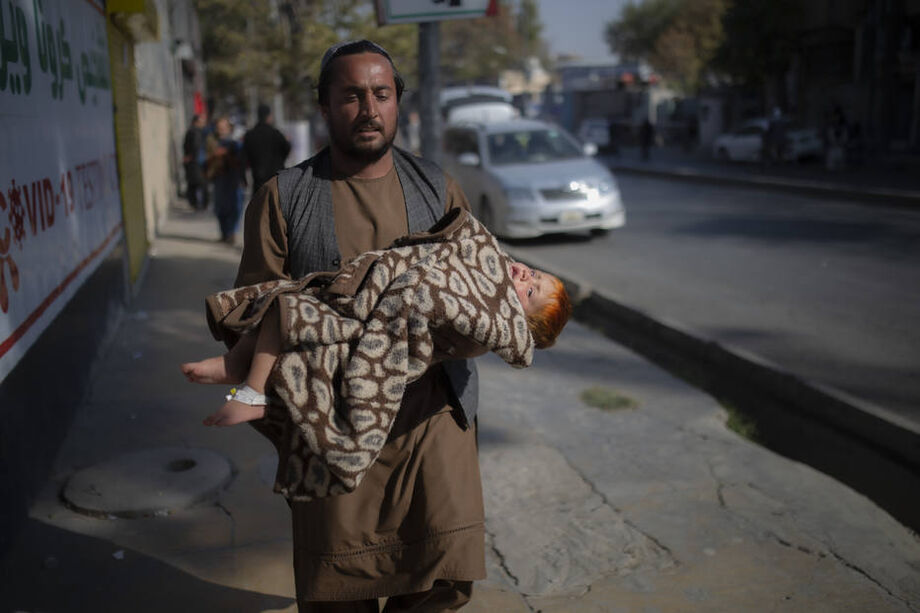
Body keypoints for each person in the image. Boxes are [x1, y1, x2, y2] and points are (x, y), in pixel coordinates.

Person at [224, 39, 510, 611]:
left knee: (440, 578)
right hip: (333, 429)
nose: (369, 109)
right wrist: (250, 390)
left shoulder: (437, 188)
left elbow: (482, 289)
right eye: (352, 96)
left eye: (382, 94)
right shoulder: (283, 198)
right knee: (339, 590)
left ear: (398, 102)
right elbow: (252, 314)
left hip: (431, 419)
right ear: (325, 106)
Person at [182, 217, 571, 429]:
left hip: (377, 323)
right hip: (369, 286)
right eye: (536, 275)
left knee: (288, 314)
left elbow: (431, 296)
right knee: (279, 304)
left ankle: (253, 394)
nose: (527, 276)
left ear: (521, 322)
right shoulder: (493, 268)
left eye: (531, 292)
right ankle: (233, 366)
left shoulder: (487, 323)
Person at [206, 117, 246, 244]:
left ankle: (232, 233)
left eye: (224, 128)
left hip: (233, 179)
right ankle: (224, 233)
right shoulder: (211, 142)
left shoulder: (235, 143)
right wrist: (214, 156)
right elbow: (203, 160)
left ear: (229, 128)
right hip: (219, 178)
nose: (221, 130)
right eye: (219, 128)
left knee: (235, 207)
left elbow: (241, 161)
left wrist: (227, 154)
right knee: (220, 207)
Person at [243, 103, 292, 193]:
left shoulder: (250, 135)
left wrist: (243, 178)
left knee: (260, 201)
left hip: (258, 180)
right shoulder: (276, 134)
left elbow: (244, 158)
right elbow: (287, 148)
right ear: (269, 116)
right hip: (276, 180)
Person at [182, 113, 209, 210]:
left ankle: (196, 203)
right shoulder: (194, 132)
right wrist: (191, 157)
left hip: (196, 161)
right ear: (196, 122)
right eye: (202, 122)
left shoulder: (196, 132)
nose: (203, 124)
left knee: (194, 183)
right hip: (195, 162)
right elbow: (195, 146)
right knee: (198, 183)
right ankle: (198, 204)